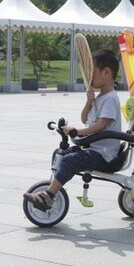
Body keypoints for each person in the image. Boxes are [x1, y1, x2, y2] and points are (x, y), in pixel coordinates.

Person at [23, 49, 122, 211]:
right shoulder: (100, 97)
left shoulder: (110, 99)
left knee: (70, 161)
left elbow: (101, 125)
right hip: (94, 150)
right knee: (61, 154)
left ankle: (49, 196)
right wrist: (89, 101)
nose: (88, 77)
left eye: (92, 73)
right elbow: (85, 118)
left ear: (106, 73)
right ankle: (54, 188)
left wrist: (77, 131)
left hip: (103, 154)